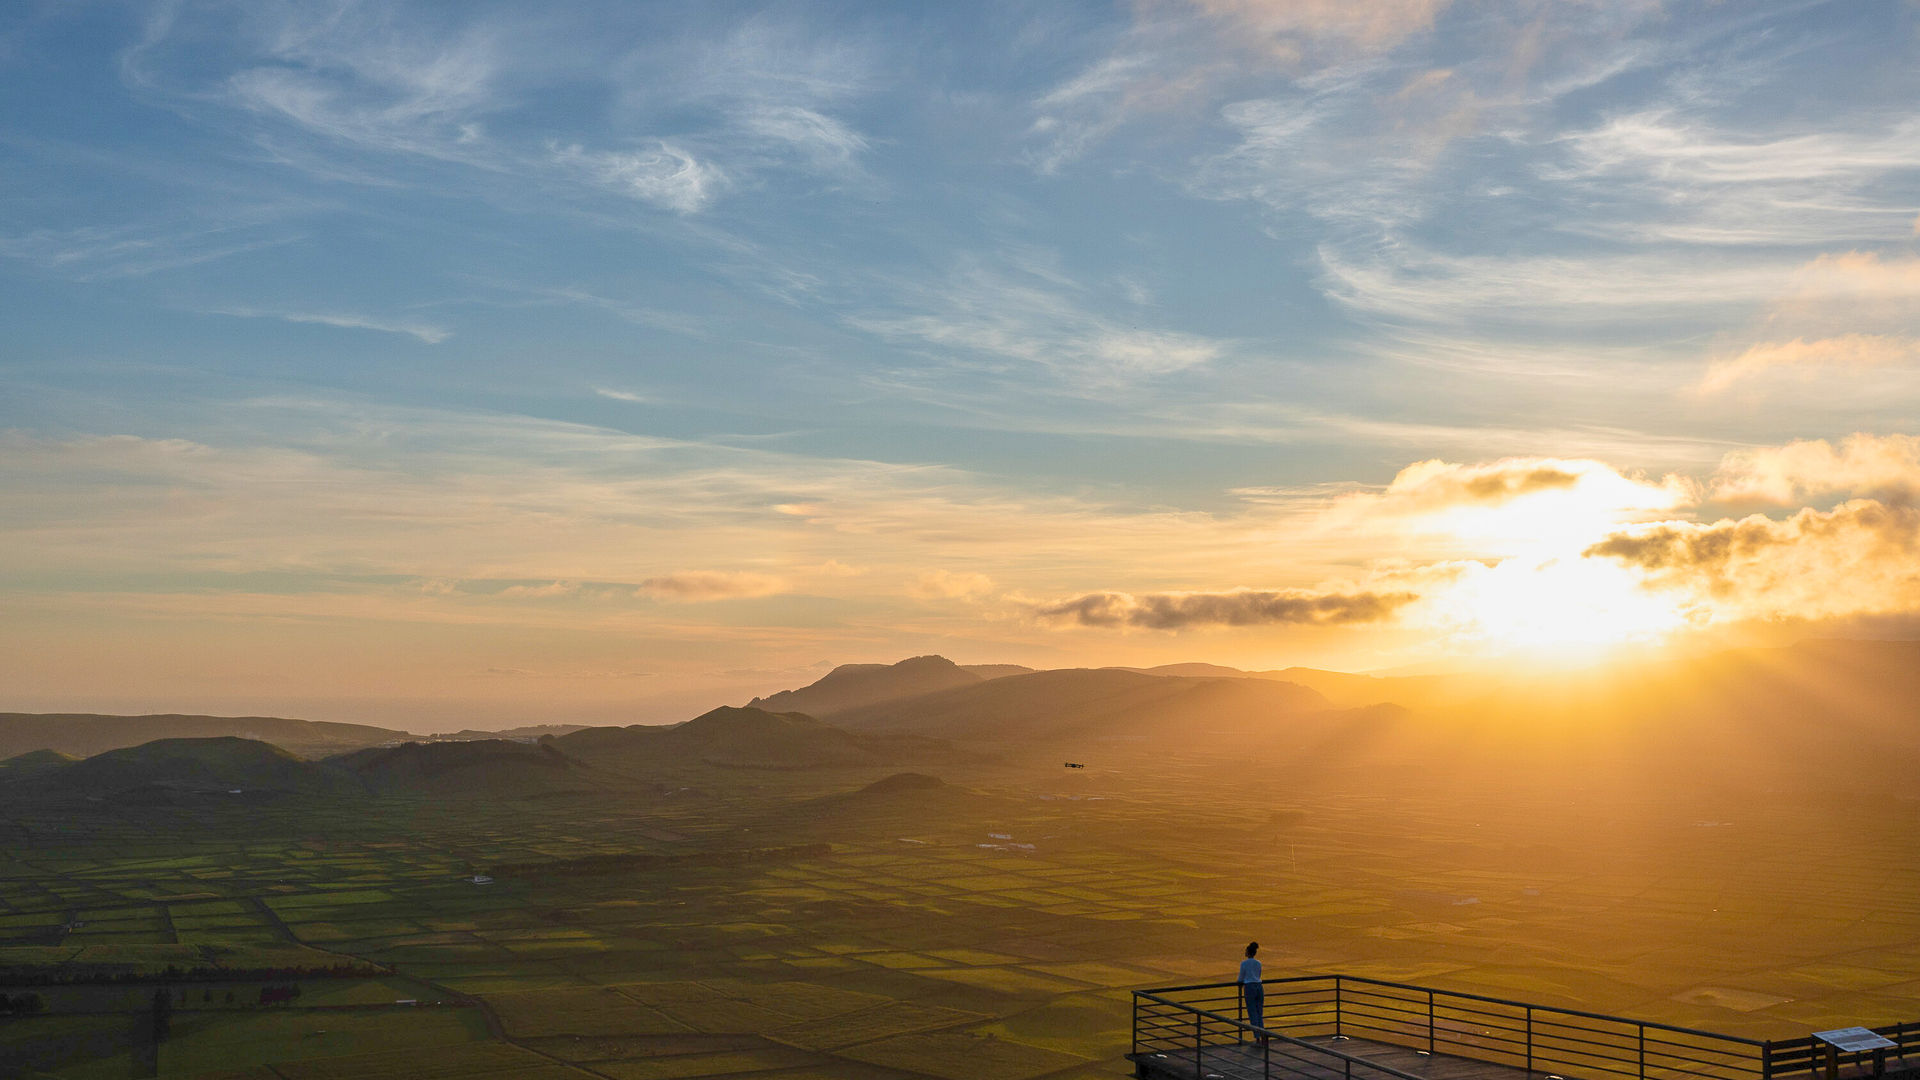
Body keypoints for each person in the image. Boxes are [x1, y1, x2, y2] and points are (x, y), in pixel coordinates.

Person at [1239, 941, 1266, 1044]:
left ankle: (1257, 1037)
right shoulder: (1258, 963)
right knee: (1259, 1012)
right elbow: (1258, 975)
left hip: (1249, 987)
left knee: (1252, 1012)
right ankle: (1263, 1035)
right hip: (1259, 987)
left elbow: (1241, 978)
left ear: (1248, 952)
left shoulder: (1244, 963)